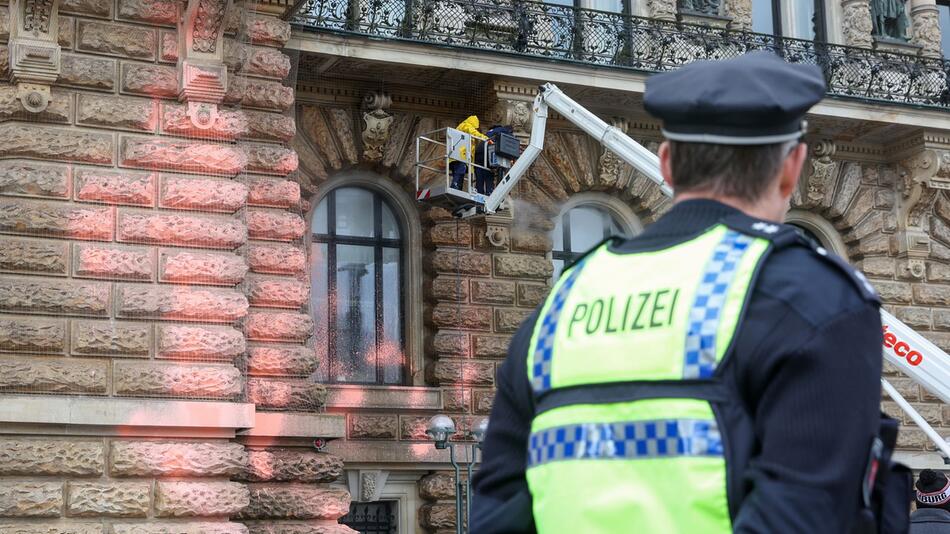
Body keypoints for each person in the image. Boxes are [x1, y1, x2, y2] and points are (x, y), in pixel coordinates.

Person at [471, 52, 892, 533]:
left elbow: (498, 510)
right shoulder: (813, 297)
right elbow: (807, 515)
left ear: (667, 163)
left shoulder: (562, 305)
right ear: (792, 167)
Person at [449, 115, 489, 191]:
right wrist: (485, 138)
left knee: (459, 173)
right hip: (461, 155)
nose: (476, 128)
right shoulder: (466, 125)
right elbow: (473, 132)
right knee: (460, 170)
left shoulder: (461, 126)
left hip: (456, 154)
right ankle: (455, 186)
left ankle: (457, 188)